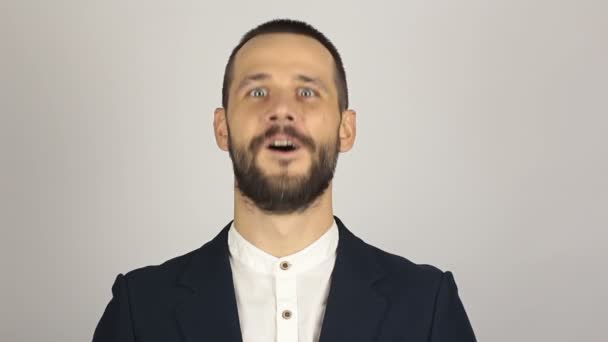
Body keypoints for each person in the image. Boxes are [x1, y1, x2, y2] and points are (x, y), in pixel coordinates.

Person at [93, 18, 476, 342]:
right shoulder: (139, 310)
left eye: (307, 92)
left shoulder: (427, 306)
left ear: (346, 129)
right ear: (222, 127)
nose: (281, 110)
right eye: (257, 92)